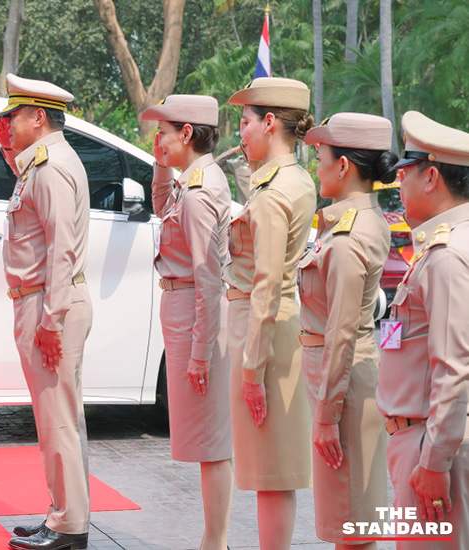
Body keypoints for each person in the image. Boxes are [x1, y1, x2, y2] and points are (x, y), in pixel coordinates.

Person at [0, 74, 93, 550]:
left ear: (38, 117)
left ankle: (68, 526)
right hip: (41, 301)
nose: (7, 123)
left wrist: (51, 320)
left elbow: (60, 250)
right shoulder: (41, 164)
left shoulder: (51, 167)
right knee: (58, 417)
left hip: (48, 303)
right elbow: (34, 214)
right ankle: (62, 514)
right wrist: (10, 156)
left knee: (57, 419)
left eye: (13, 116)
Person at [224, 77, 317, 549]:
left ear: (269, 122)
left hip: (266, 336)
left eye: (244, 122)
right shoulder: (289, 181)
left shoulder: (277, 192)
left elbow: (265, 285)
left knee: (272, 472)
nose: (239, 132)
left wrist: (252, 370)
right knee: (271, 470)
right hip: (274, 330)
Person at [298, 113, 396, 549]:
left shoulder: (350, 235)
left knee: (352, 524)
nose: (315, 166)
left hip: (344, 389)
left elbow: (340, 334)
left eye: (320, 157)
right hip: (347, 382)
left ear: (343, 166)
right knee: (352, 521)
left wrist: (325, 417)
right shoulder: (355, 222)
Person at [141, 95, 233, 550]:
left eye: (164, 131)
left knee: (210, 441)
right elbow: (162, 205)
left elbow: (208, 281)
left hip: (192, 311)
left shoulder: (199, 192)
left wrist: (200, 354)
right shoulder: (192, 181)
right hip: (181, 309)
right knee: (203, 438)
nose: (158, 138)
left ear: (188, 134)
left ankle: (214, 542)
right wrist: (161, 165)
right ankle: (212, 538)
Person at [377, 111, 469, 550]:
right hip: (432, 439)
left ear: (432, 176)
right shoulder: (449, 244)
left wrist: (433, 463)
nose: (399, 184)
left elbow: (454, 368)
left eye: (405, 174)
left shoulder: (448, 254)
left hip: (431, 445)